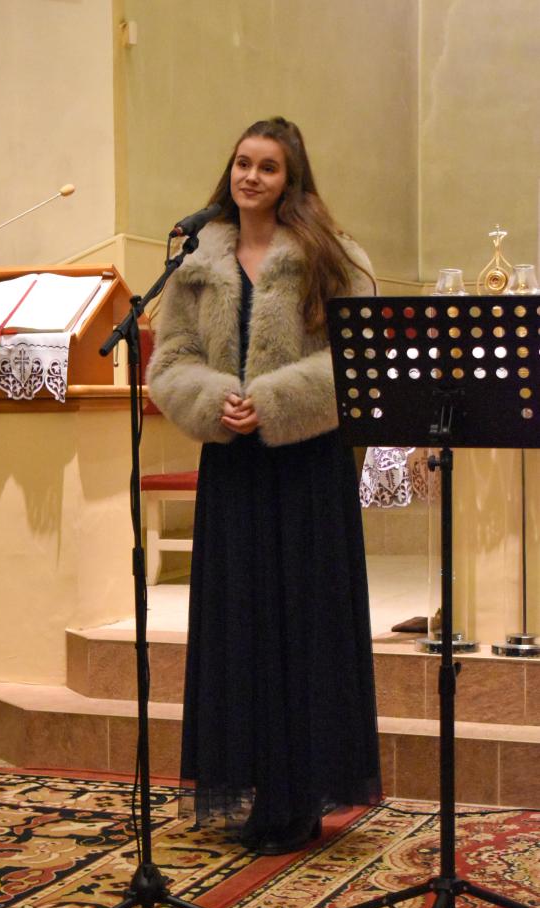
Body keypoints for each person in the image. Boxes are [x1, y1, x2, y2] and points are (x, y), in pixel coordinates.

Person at [147, 117, 381, 855]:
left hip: (307, 465)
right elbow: (171, 359)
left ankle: (300, 793)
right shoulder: (196, 260)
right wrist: (214, 399)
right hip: (235, 466)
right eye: (243, 163)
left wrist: (274, 401)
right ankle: (257, 784)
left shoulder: (331, 255)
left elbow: (357, 357)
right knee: (241, 626)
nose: (251, 177)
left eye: (268, 167)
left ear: (290, 179)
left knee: (305, 627)